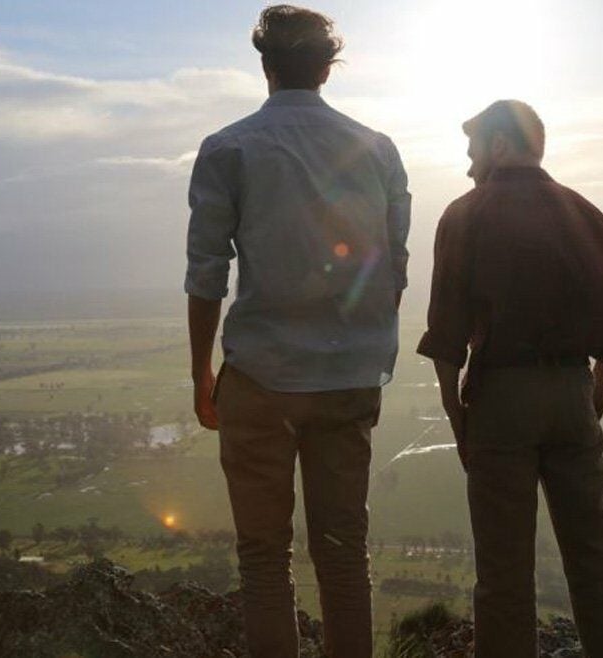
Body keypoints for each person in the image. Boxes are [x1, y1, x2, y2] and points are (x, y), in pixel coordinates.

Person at [184, 5, 410, 657]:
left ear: (266, 65)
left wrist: (203, 375)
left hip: (259, 377)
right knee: (344, 558)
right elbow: (392, 273)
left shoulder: (228, 148)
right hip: (349, 379)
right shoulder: (379, 151)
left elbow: (206, 277)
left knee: (262, 561)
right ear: (326, 70)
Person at [417, 99, 603, 658]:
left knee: (503, 572)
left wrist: (455, 411)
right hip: (571, 393)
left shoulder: (465, 214)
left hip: (501, 399)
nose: (470, 165)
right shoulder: (578, 210)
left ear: (499, 145)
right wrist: (599, 381)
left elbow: (446, 327)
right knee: (595, 560)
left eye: (474, 150)